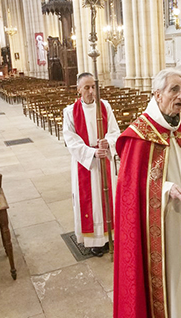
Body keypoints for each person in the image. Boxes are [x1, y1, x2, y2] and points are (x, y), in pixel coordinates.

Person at [113, 68, 181, 317]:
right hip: (164, 220)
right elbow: (131, 188)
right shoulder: (140, 133)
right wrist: (165, 189)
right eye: (174, 89)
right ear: (158, 94)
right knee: (172, 269)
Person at [63, 72, 120, 257]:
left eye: (93, 87)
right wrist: (92, 152)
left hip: (105, 160)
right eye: (86, 87)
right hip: (86, 164)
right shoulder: (70, 111)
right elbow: (71, 141)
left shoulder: (105, 106)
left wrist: (109, 142)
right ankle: (94, 241)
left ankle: (109, 236)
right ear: (78, 89)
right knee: (91, 202)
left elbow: (115, 131)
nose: (90, 91)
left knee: (106, 199)